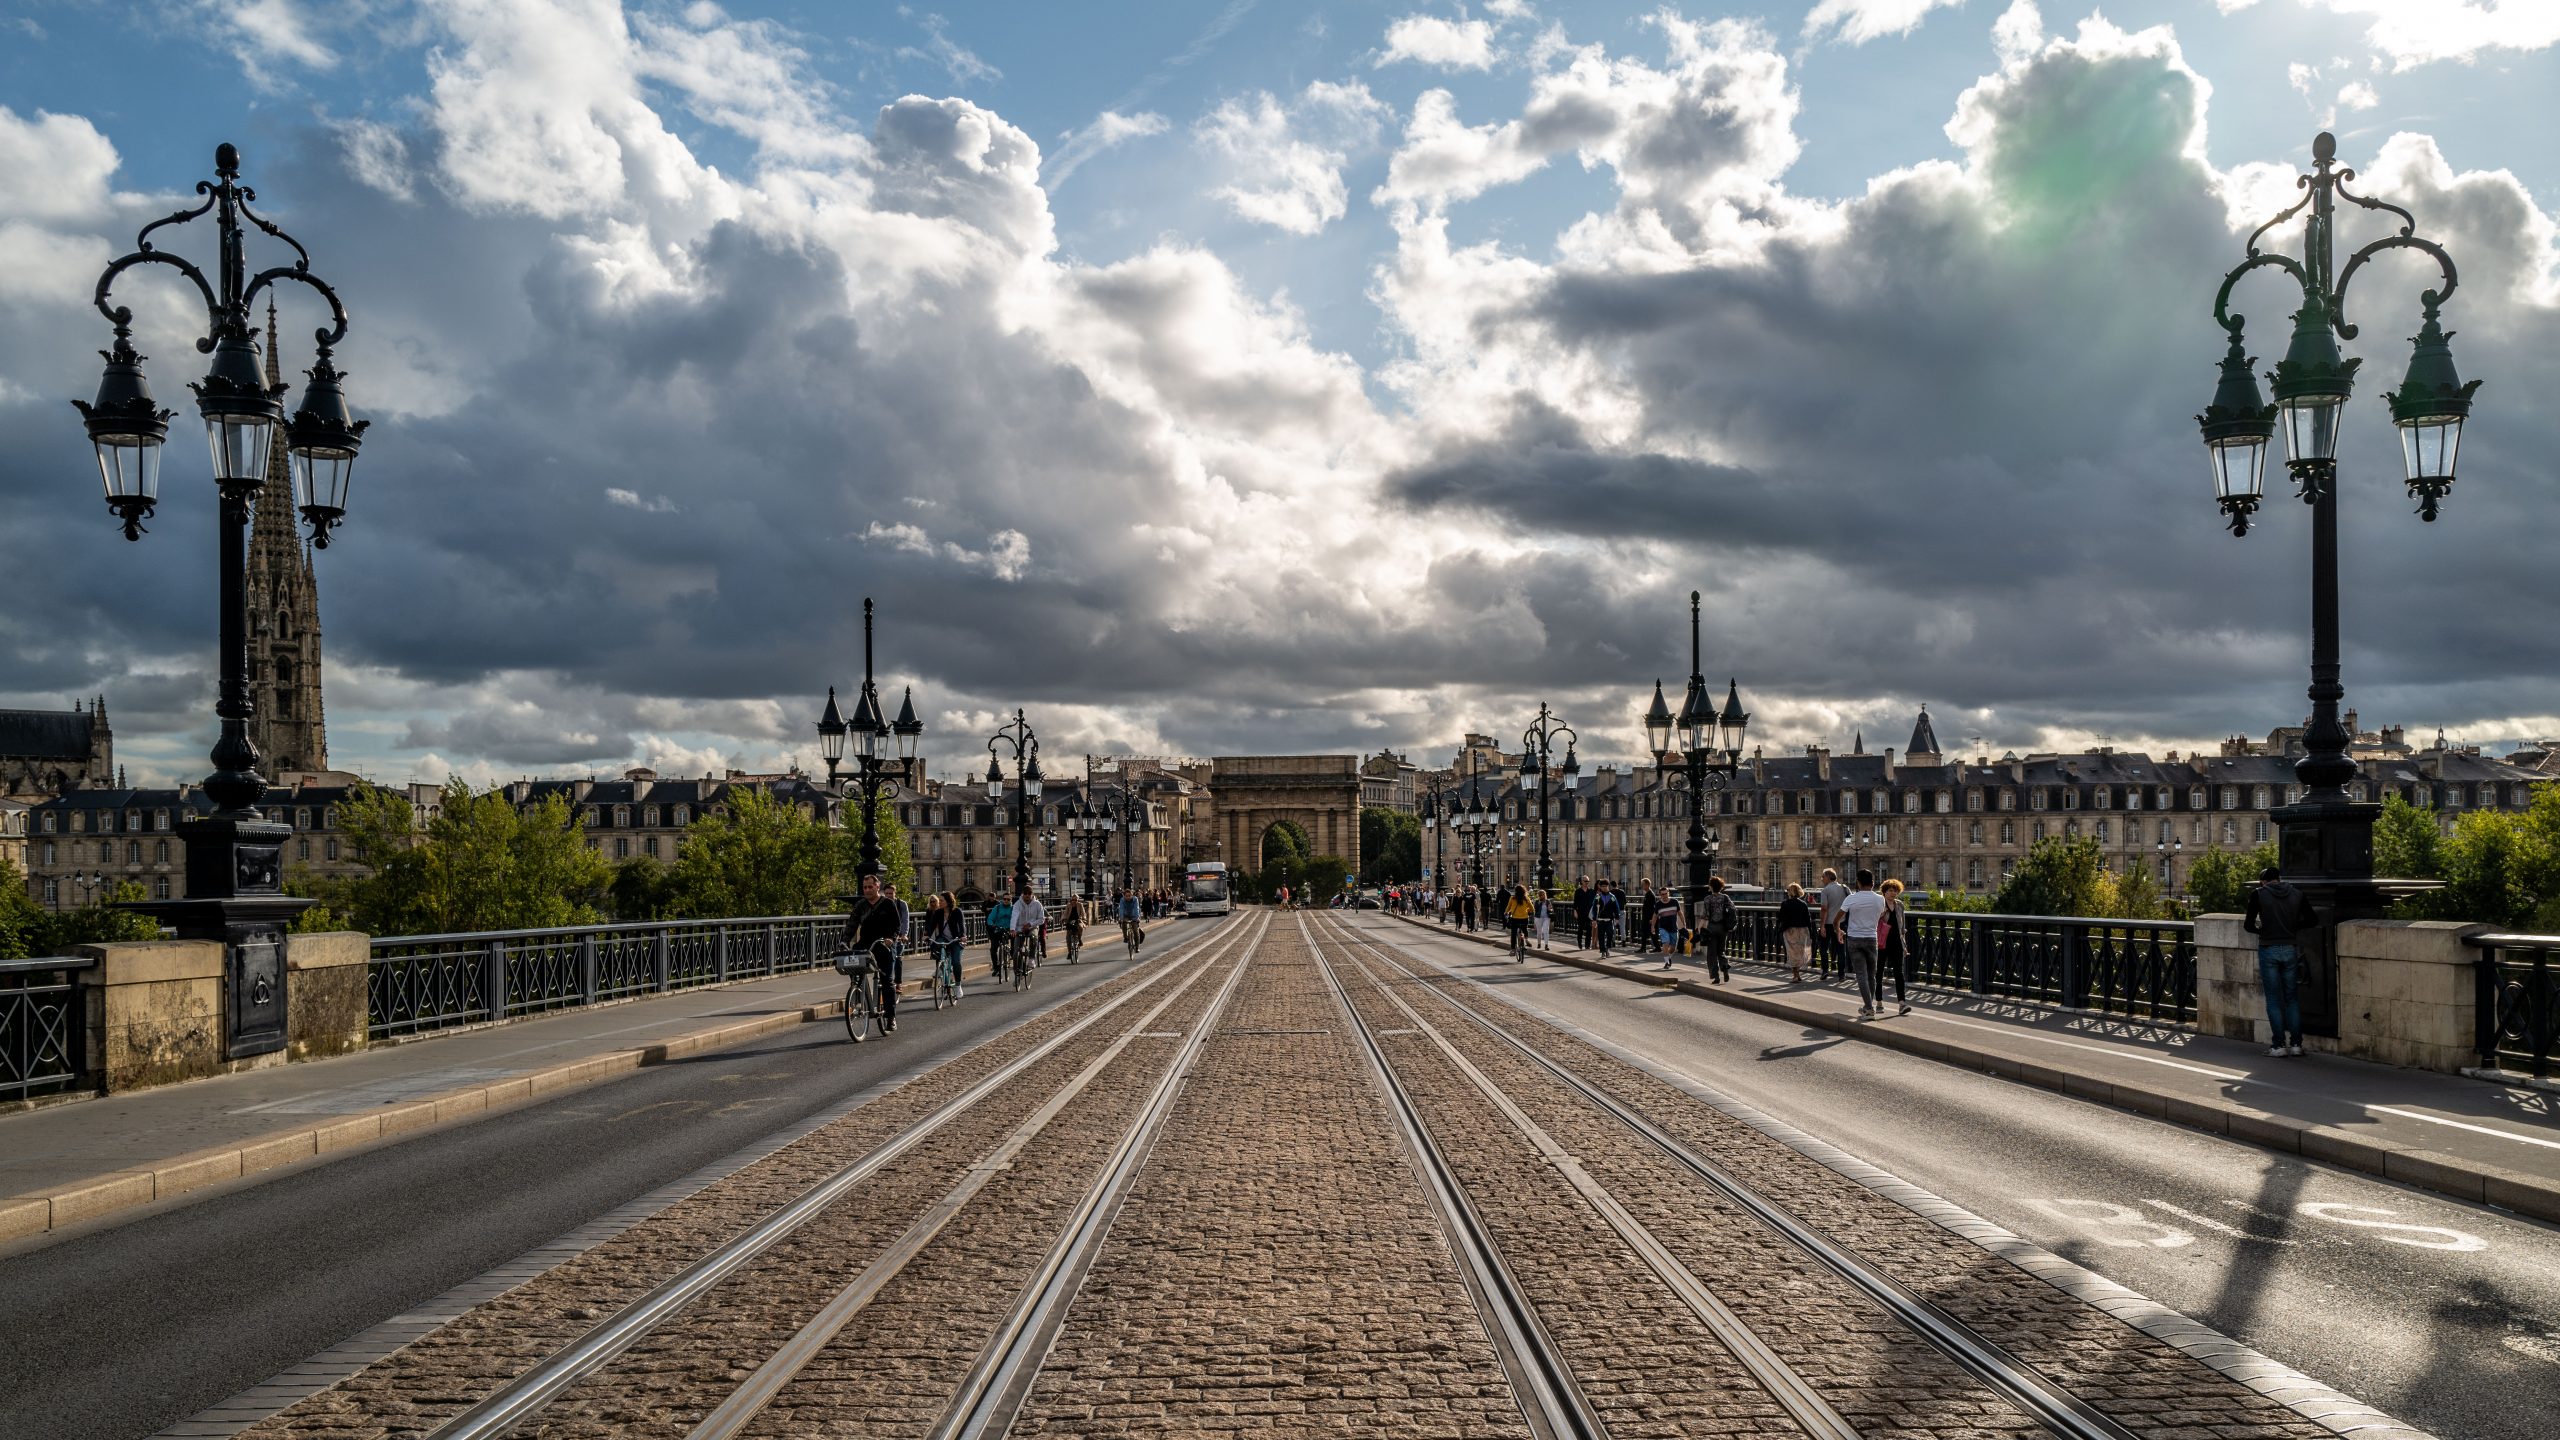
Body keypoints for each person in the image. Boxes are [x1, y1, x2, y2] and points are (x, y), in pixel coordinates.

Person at [2244, 865, 2316, 1057]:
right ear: (2279, 878)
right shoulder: (2297, 893)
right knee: (2291, 998)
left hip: (2269, 949)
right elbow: (2312, 919)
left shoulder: (2258, 894)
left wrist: (2264, 930)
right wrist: (2292, 928)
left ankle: (2278, 1045)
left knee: (2274, 999)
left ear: (2264, 882)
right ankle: (2296, 1044)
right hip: (2290, 948)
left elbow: (2248, 925)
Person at [841, 868, 909, 1032]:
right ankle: (857, 992)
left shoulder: (888, 903)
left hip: (883, 945)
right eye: (864, 887)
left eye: (870, 887)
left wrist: (891, 938)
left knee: (887, 982)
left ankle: (890, 1017)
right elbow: (852, 924)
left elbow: (896, 924)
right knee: (853, 965)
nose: (867, 890)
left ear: (877, 887)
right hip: (866, 944)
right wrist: (844, 941)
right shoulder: (861, 905)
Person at [1836, 870, 1886, 1020]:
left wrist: (1838, 931)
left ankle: (1869, 1009)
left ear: (1858, 882)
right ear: (1873, 882)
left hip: (1855, 939)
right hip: (1871, 939)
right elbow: (1881, 914)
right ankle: (1867, 1007)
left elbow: (1837, 918)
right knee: (1872, 975)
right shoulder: (1880, 899)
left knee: (1861, 975)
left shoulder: (1851, 899)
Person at [1876, 877, 1911, 1015]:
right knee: (1878, 973)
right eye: (1890, 890)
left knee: (1899, 973)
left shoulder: (1899, 905)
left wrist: (1904, 944)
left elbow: (1902, 927)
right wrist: (1881, 914)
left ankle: (1902, 1003)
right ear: (1884, 892)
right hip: (1881, 942)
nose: (1893, 893)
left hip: (1896, 942)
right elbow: (1873, 922)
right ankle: (1879, 1002)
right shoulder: (1879, 904)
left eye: (1895, 891)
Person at [925, 891, 968, 998]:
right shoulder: (938, 912)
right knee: (937, 950)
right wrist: (927, 935)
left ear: (949, 901)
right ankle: (940, 968)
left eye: (942, 900)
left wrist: (962, 935)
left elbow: (962, 926)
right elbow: (932, 925)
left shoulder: (957, 911)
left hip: (956, 939)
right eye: (939, 900)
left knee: (956, 962)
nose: (939, 902)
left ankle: (958, 986)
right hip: (943, 938)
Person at [1696, 876, 1736, 983]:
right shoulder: (1725, 897)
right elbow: (1733, 909)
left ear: (1711, 887)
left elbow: (1704, 916)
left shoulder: (1707, 899)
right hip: (1723, 927)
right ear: (1721, 887)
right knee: (1721, 951)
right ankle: (1725, 968)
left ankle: (1716, 976)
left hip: (1712, 927)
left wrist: (1699, 928)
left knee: (1711, 953)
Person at [1777, 882, 1815, 983]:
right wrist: (1810, 932)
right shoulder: (1803, 904)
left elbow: (1780, 917)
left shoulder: (1785, 903)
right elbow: (1808, 919)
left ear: (1790, 892)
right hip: (1803, 930)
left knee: (1792, 952)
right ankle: (1797, 973)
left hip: (1790, 930)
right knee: (1799, 952)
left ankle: (1795, 975)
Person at [1816, 868, 1849, 977]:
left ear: (1828, 877)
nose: (1822, 879)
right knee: (1840, 949)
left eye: (1823, 877)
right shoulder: (1844, 888)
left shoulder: (1825, 891)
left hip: (1829, 923)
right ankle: (1841, 974)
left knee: (1824, 948)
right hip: (1842, 923)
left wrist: (1822, 926)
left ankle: (1825, 970)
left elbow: (1824, 909)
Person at [1010, 886, 1046, 975]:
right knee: (1016, 952)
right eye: (1025, 893)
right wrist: (1012, 929)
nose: (1027, 895)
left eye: (1029, 893)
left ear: (1032, 894)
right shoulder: (1018, 904)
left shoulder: (1037, 904)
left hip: (1032, 927)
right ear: (1022, 894)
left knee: (1033, 937)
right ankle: (1017, 972)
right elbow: (1014, 916)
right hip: (1020, 928)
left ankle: (1031, 958)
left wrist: (1030, 924)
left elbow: (1041, 919)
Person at [985, 892, 1013, 984]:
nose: (1006, 901)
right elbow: (990, 918)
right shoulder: (997, 908)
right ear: (1002, 899)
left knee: (1014, 943)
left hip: (1009, 930)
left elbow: (1016, 918)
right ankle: (996, 967)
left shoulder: (1013, 909)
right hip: (998, 930)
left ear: (1011, 900)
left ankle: (1012, 954)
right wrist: (992, 924)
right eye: (1004, 899)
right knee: (993, 949)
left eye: (1008, 899)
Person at [1653, 889, 1684, 965]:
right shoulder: (1658, 904)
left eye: (1666, 894)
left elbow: (1680, 913)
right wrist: (1652, 926)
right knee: (1665, 943)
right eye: (1662, 894)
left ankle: (1668, 957)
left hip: (1673, 927)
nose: (1664, 896)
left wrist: (1684, 923)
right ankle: (1666, 962)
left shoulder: (1674, 902)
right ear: (1660, 895)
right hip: (1663, 927)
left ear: (1668, 893)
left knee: (1673, 948)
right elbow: (1655, 916)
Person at [1593, 879, 1621, 956]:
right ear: (1600, 887)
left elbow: (1616, 908)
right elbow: (1594, 909)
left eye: (1606, 886)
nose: (1605, 888)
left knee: (1610, 934)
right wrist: (1594, 919)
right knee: (1601, 936)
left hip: (1609, 920)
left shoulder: (1612, 897)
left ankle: (1607, 948)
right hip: (1600, 920)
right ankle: (1603, 952)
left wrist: (1617, 918)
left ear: (1608, 886)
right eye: (1603, 886)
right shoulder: (1598, 897)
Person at [1504, 884, 1533, 959]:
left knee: (1513, 934)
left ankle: (1513, 949)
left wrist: (1506, 912)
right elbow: (1532, 908)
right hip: (1524, 918)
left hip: (1515, 918)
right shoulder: (1526, 898)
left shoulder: (1512, 898)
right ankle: (1526, 939)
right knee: (1525, 929)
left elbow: (1508, 907)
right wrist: (1528, 911)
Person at [1635, 879, 1660, 953]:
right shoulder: (1648, 894)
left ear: (1647, 885)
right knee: (1651, 933)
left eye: (1643, 884)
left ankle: (1644, 948)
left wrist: (1651, 918)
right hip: (1648, 917)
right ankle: (1657, 947)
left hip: (1649, 918)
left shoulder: (1650, 895)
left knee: (1646, 933)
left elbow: (1652, 908)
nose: (1642, 886)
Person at [1572, 877, 1595, 948]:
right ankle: (1579, 943)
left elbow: (1594, 902)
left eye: (1588, 881)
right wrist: (1575, 911)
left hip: (1589, 913)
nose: (1587, 882)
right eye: (1585, 881)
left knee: (1589, 929)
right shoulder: (1578, 891)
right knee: (1580, 929)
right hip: (1581, 912)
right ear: (1582, 881)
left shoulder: (1591, 891)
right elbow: (1575, 903)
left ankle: (1587, 945)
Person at [1062, 897, 1085, 963]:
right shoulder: (1068, 905)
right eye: (1073, 900)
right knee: (1068, 937)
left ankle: (1079, 939)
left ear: (1077, 900)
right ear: (1071, 900)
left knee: (1080, 927)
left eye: (1076, 900)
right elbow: (1065, 913)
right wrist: (1063, 919)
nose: (1074, 901)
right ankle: (1069, 952)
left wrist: (1084, 918)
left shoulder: (1080, 905)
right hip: (1070, 921)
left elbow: (1083, 913)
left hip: (1078, 920)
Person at [1531, 886, 1553, 950]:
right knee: (1539, 932)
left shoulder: (1548, 901)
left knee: (1546, 931)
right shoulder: (1537, 902)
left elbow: (1551, 909)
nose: (1542, 896)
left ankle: (1546, 945)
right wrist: (1539, 904)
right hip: (1538, 918)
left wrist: (1550, 909)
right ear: (1539, 895)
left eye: (1543, 894)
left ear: (1545, 895)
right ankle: (1539, 943)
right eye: (1540, 895)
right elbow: (1534, 910)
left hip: (1546, 917)